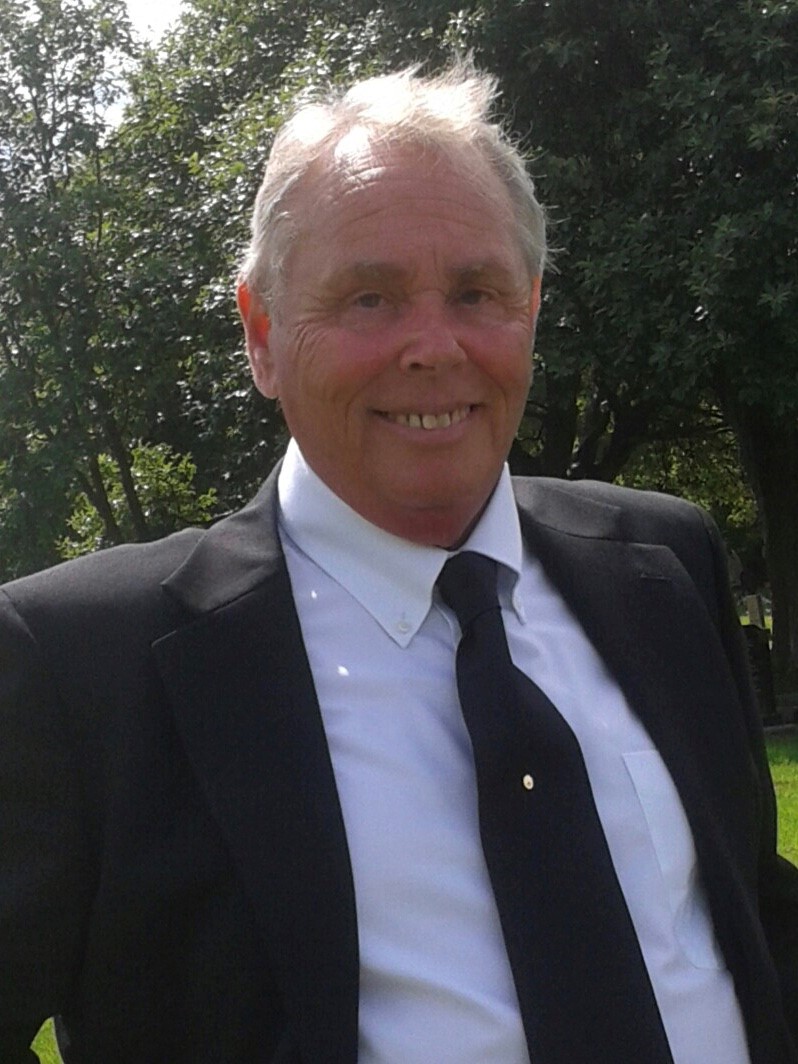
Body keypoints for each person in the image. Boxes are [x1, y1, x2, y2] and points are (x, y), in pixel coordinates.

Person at [1, 64, 797, 1064]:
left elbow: (752, 926)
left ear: (532, 308)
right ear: (261, 335)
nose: (433, 346)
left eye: (476, 292)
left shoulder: (664, 567)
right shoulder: (83, 667)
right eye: (368, 297)